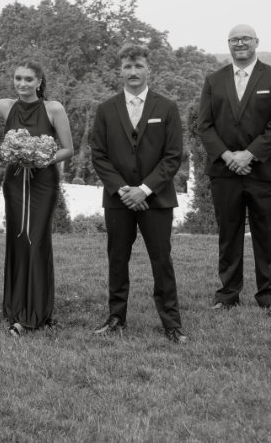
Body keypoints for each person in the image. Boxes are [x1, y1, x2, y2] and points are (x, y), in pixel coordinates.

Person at [0, 61, 74, 336]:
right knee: (17, 240)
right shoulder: (6, 106)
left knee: (36, 241)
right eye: (18, 78)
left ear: (39, 82)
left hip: (43, 182)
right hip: (14, 182)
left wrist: (39, 157)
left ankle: (34, 314)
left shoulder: (54, 109)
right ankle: (14, 309)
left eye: (28, 79)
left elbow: (68, 149)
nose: (22, 84)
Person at [89, 44, 186, 343]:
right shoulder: (106, 109)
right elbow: (99, 155)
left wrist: (143, 190)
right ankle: (116, 318)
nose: (133, 72)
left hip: (156, 198)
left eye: (138, 66)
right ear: (120, 71)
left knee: (162, 260)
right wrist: (123, 190)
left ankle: (171, 323)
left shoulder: (166, 107)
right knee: (117, 259)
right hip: (118, 200)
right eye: (128, 67)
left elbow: (173, 156)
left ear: (148, 69)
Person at [198, 24, 271, 315]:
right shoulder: (214, 80)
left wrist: (249, 155)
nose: (240, 43)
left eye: (245, 39)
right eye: (234, 39)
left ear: (256, 42)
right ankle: (227, 294)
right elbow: (205, 125)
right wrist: (228, 156)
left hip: (264, 171)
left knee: (268, 236)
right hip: (225, 172)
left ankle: (269, 296)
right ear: (228, 44)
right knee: (229, 235)